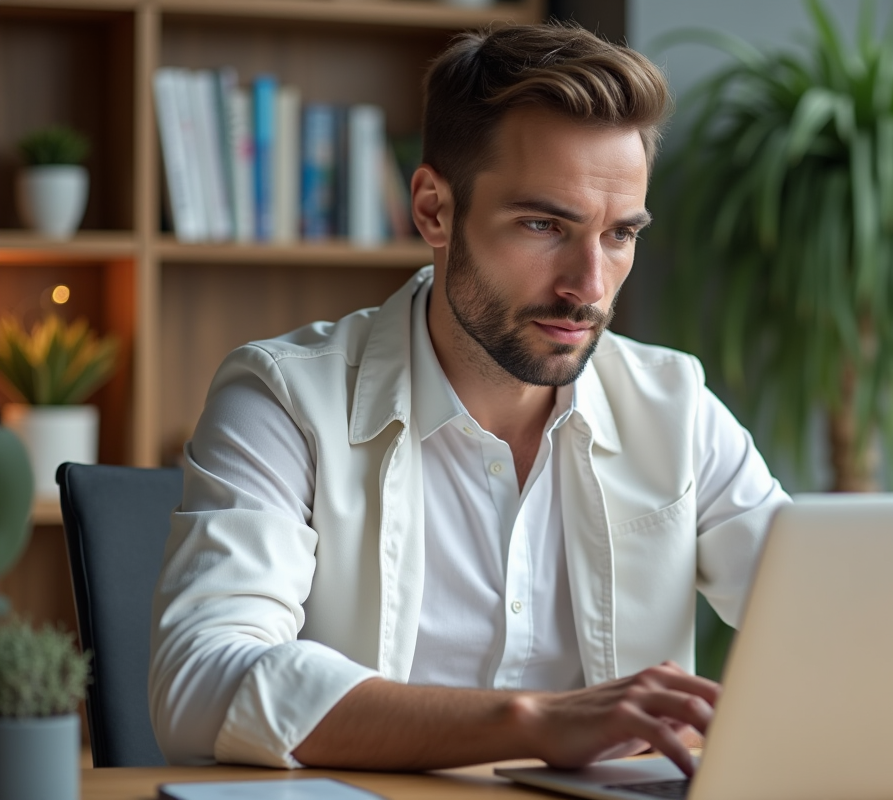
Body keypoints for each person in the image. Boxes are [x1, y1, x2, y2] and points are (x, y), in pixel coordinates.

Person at [149, 22, 790, 776]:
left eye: (619, 235)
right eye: (544, 224)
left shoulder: (674, 406)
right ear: (433, 210)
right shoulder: (285, 399)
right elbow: (200, 683)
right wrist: (533, 723)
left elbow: (837, 622)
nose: (588, 286)